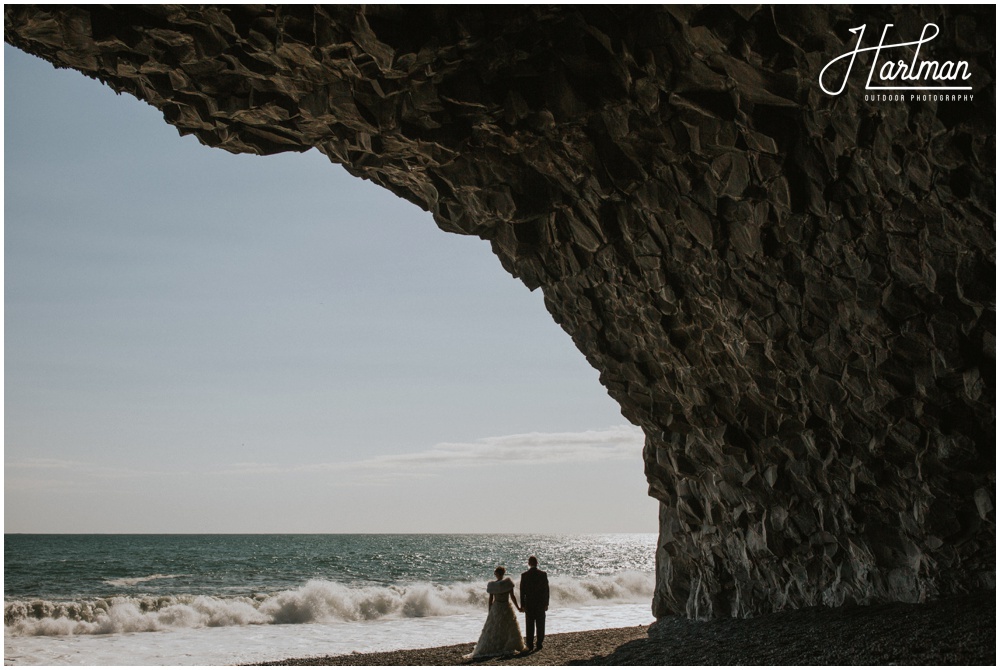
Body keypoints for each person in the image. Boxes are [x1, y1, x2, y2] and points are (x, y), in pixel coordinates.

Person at [468, 566, 527, 658]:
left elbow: (491, 600)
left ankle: (497, 646)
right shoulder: (507, 583)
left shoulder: (492, 585)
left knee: (495, 627)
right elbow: (512, 597)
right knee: (508, 627)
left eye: (495, 573)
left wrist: (489, 611)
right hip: (506, 606)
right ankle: (507, 644)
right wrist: (518, 607)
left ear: (497, 574)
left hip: (496, 607)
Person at [519, 555, 549, 651]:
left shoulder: (524, 575)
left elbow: (522, 592)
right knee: (540, 624)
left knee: (529, 624)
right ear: (537, 563)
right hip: (540, 603)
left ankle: (530, 644)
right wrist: (546, 603)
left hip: (529, 603)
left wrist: (522, 605)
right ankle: (539, 643)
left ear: (529, 563)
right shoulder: (543, 574)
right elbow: (546, 590)